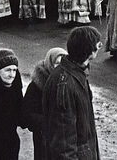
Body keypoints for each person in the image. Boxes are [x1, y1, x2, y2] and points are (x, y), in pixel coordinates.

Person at [43, 26, 101, 160]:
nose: (100, 47)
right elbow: (63, 138)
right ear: (89, 49)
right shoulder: (65, 83)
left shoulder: (77, 73)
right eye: (98, 44)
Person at [22, 48, 68, 160]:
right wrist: (48, 123)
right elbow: (27, 113)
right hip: (45, 137)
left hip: (66, 137)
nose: (61, 67)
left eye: (64, 63)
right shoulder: (37, 84)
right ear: (50, 63)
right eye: (57, 63)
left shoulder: (69, 82)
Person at [0, 49, 23, 159]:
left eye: (14, 70)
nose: (12, 75)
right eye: (8, 70)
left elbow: (21, 117)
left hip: (11, 144)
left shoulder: (16, 90)